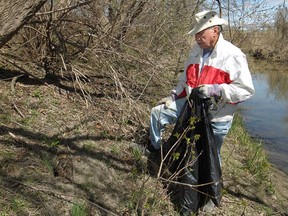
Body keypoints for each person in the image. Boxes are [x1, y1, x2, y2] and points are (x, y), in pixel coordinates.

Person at [148, 10, 255, 212]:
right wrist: (173, 96)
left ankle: (208, 196)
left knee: (211, 157)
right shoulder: (195, 53)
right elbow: (184, 81)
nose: (197, 38)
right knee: (158, 113)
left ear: (215, 31)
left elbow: (246, 90)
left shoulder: (232, 55)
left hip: (217, 117)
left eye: (200, 34)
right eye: (196, 34)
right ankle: (155, 150)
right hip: (190, 109)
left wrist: (217, 90)